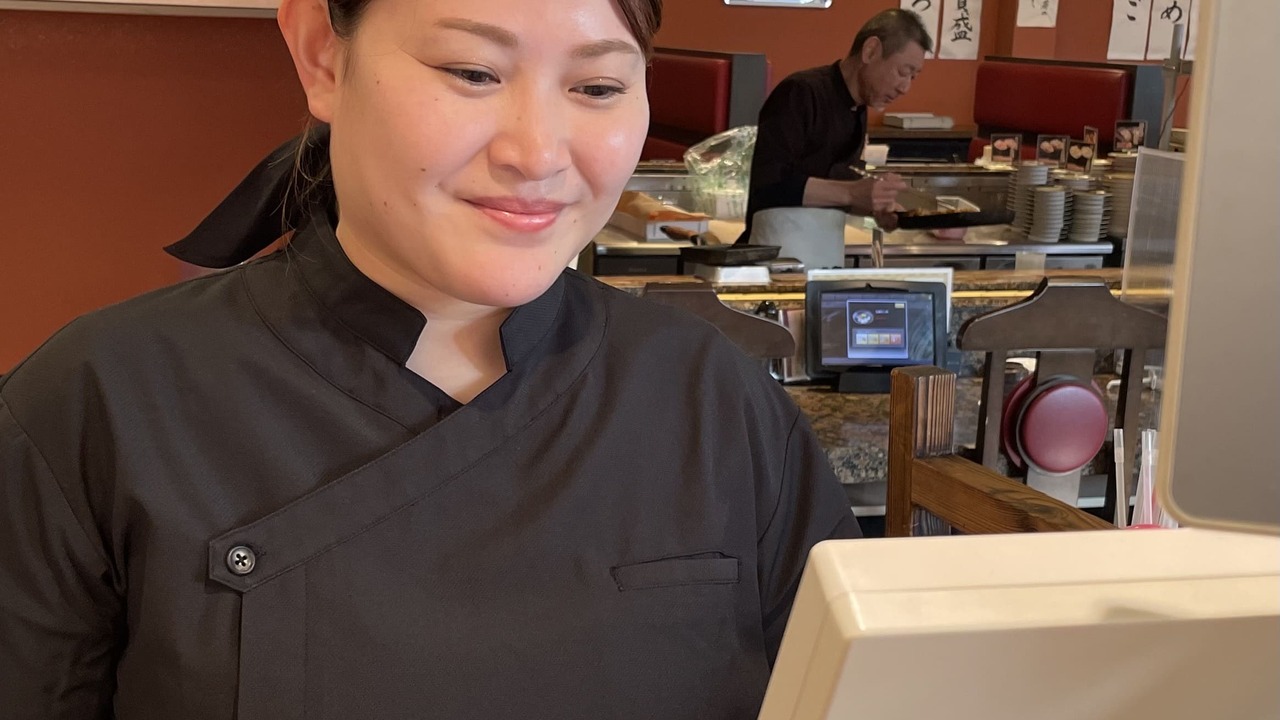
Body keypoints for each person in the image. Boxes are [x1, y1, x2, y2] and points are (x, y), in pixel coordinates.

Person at [0, 0, 860, 718]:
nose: (537, 152)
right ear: (320, 56)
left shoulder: (716, 402)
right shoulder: (95, 406)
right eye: (473, 73)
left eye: (597, 86)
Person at [739, 8, 933, 243]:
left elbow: (836, 187)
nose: (905, 88)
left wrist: (877, 207)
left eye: (913, 77)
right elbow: (769, 184)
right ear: (871, 51)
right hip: (773, 253)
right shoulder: (801, 92)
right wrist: (853, 193)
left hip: (821, 251)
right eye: (903, 72)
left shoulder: (858, 108)